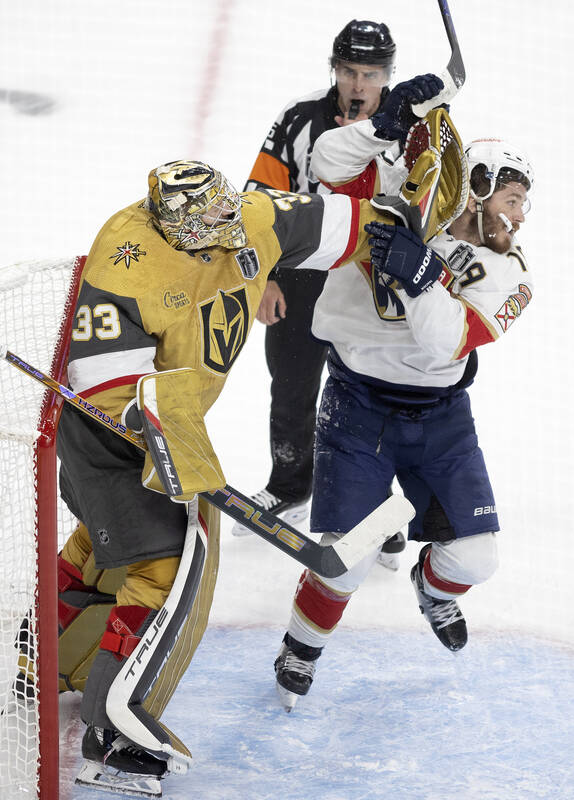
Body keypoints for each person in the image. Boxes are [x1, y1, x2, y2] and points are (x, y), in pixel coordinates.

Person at [52, 80, 446, 796]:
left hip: (173, 427)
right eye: (211, 231)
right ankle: (111, 741)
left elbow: (347, 221)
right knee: (168, 573)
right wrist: (186, 459)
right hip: (110, 440)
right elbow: (113, 390)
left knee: (101, 550)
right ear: (172, 227)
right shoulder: (125, 255)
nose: (232, 239)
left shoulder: (250, 217)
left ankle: (43, 664)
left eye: (232, 220)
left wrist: (401, 237)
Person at [271, 106, 537, 711]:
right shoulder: (396, 199)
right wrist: (383, 124)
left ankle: (430, 585)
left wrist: (419, 275)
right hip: (356, 404)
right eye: (513, 198)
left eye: (523, 202)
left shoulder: (511, 275)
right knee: (343, 564)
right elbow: (326, 164)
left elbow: (445, 340)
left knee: (474, 559)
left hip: (441, 418)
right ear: (475, 187)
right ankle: (300, 648)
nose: (519, 217)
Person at [238, 18, 408, 569]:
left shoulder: (408, 128)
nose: (359, 85)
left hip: (373, 278)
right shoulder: (297, 118)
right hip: (302, 276)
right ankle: (290, 484)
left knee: (373, 395)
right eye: (350, 72)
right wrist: (264, 277)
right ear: (334, 70)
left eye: (371, 73)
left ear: (388, 75)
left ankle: (380, 507)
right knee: (291, 383)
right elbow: (258, 200)